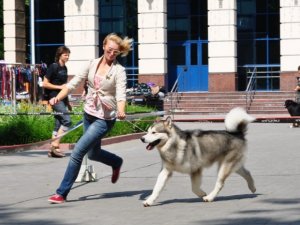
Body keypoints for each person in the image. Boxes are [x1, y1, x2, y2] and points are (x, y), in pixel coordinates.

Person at [48, 33, 133, 204]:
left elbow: (121, 94)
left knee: (78, 151)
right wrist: (58, 97)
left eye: (115, 52)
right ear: (103, 46)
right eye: (109, 50)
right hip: (89, 113)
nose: (111, 54)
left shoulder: (119, 71)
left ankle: (61, 193)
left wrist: (122, 110)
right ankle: (116, 162)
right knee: (93, 153)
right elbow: (72, 85)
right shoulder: (91, 64)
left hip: (105, 118)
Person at [43, 46, 73, 157]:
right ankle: (55, 145)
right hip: (54, 98)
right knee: (67, 121)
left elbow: (65, 88)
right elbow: (45, 83)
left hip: (62, 99)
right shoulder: (53, 67)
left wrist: (68, 102)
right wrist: (59, 87)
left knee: (58, 124)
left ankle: (52, 151)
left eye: (68, 55)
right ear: (60, 55)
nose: (67, 57)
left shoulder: (65, 68)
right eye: (65, 55)